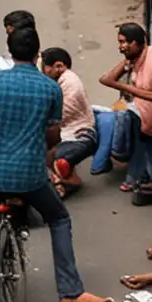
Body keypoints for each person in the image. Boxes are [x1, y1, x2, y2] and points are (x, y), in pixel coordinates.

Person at [0, 24, 113, 302]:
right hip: (31, 175)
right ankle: (70, 291)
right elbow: (53, 135)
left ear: (11, 50)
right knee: (59, 219)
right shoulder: (50, 88)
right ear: (37, 55)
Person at [99, 20, 152, 198]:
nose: (121, 47)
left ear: (139, 43)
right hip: (145, 127)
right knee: (122, 115)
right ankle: (129, 162)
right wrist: (126, 62)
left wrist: (146, 94)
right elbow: (106, 79)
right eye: (119, 42)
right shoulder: (133, 60)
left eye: (125, 42)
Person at [41, 45, 97, 193]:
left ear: (58, 66)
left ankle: (64, 180)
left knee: (54, 159)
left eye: (45, 68)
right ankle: (62, 180)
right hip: (68, 133)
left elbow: (59, 116)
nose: (43, 73)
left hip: (79, 135)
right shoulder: (59, 83)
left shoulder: (70, 83)